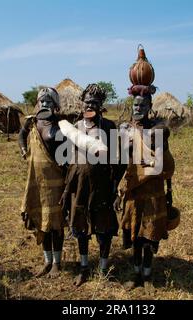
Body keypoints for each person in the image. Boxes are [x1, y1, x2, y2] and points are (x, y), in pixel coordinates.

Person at [115, 84, 176, 289]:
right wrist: (117, 189)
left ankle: (148, 276)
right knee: (135, 237)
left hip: (153, 191)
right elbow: (121, 162)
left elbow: (165, 163)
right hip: (133, 189)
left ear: (149, 106)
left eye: (142, 105)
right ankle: (136, 274)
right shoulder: (125, 129)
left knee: (149, 235)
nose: (137, 109)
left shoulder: (158, 129)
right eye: (135, 105)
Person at [60, 84, 120, 287]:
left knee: (104, 228)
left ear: (101, 105)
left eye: (95, 102)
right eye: (87, 101)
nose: (90, 105)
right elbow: (67, 158)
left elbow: (117, 160)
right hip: (80, 186)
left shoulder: (109, 127)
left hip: (103, 186)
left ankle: (104, 269)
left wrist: (115, 187)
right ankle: (84, 268)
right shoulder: (75, 127)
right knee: (81, 226)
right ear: (82, 103)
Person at [19, 87, 67, 279]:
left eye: (49, 102)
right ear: (37, 103)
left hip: (55, 183)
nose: (45, 104)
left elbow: (68, 153)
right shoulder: (31, 123)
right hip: (36, 182)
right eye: (42, 101)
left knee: (55, 225)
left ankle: (57, 263)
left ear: (55, 106)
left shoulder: (60, 126)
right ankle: (47, 261)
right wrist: (24, 151)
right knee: (42, 223)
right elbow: (21, 136)